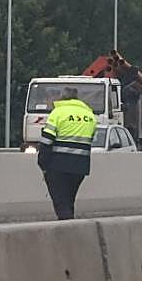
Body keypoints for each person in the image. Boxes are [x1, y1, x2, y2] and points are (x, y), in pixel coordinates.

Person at [36, 87, 97, 220]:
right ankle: (70, 227)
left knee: (61, 202)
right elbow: (90, 139)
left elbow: (47, 140)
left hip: (58, 165)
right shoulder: (90, 115)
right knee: (69, 200)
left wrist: (43, 163)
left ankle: (67, 231)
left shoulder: (58, 113)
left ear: (62, 98)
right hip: (80, 166)